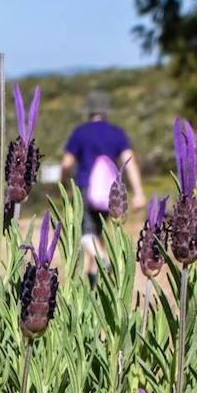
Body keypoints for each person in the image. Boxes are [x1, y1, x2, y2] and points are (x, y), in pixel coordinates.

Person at [61, 90, 145, 280]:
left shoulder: (80, 133)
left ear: (89, 111)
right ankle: (95, 286)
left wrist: (64, 185)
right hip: (109, 193)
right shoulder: (116, 133)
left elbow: (66, 164)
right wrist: (138, 192)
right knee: (98, 236)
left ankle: (105, 261)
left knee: (85, 234)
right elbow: (129, 162)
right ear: (106, 111)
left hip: (85, 189)